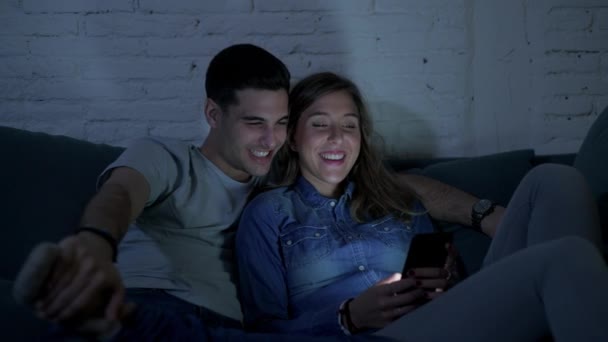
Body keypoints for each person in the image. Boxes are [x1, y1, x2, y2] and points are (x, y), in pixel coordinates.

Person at [236, 72, 608, 341]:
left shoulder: (395, 199)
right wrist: (349, 316)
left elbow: (449, 286)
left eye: (349, 126)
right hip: (371, 337)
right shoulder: (269, 214)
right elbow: (261, 329)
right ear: (294, 140)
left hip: (445, 322)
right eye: (320, 124)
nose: (337, 137)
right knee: (567, 255)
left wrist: (443, 283)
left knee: (554, 180)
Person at [16, 43, 293, 338]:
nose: (271, 140)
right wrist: (96, 244)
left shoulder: (276, 193)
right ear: (213, 114)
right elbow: (120, 194)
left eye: (281, 123)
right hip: (150, 301)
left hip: (224, 328)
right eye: (255, 122)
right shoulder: (166, 156)